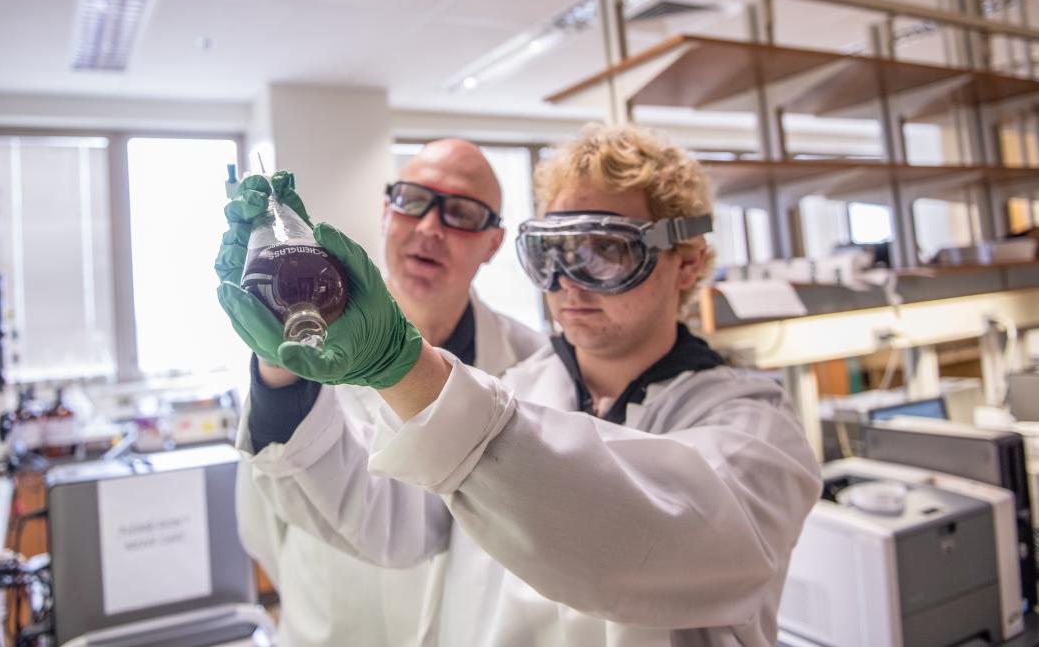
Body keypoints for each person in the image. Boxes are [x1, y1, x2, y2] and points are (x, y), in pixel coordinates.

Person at [218, 124, 821, 646]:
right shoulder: (512, 386)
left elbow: (652, 538)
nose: (567, 283)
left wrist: (402, 370)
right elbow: (392, 521)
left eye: (604, 252)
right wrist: (285, 373)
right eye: (551, 253)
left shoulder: (754, 425)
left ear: (685, 261)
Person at [218, 140, 545, 647]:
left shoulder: (533, 362)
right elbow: (261, 524)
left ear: (494, 243)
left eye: (460, 212)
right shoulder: (303, 348)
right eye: (413, 200)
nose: (431, 227)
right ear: (387, 211)